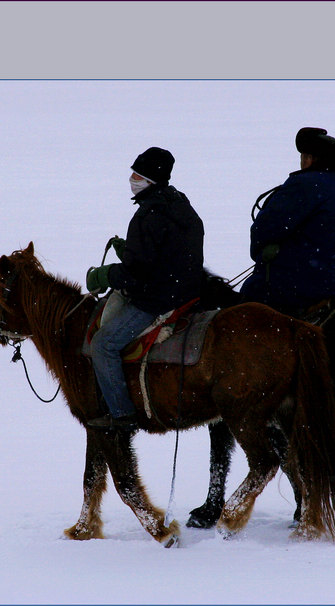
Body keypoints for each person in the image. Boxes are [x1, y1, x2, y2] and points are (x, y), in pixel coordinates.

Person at [83, 147, 205, 431]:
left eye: (138, 175)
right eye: (133, 173)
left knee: (103, 344)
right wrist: (131, 253)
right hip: (188, 290)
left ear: (151, 180)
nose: (132, 179)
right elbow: (168, 254)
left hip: (158, 300)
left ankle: (122, 415)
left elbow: (136, 276)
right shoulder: (180, 203)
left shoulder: (147, 216)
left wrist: (105, 275)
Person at [240, 127, 335, 321]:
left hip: (289, 288)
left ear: (310, 158)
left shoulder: (305, 184)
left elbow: (264, 231)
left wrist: (264, 253)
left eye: (303, 157)